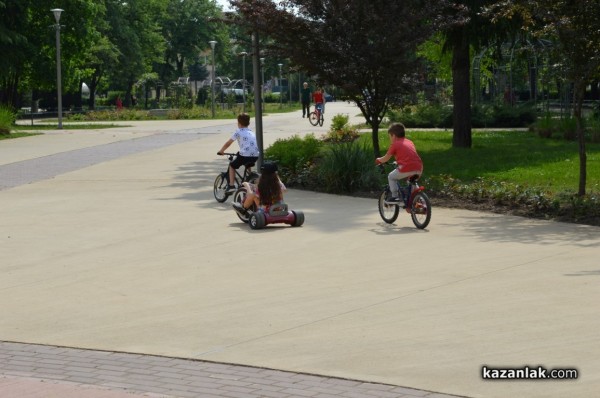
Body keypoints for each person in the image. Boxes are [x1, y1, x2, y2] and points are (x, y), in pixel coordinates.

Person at [375, 123, 423, 204]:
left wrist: (378, 160)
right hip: (419, 167)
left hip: (406, 167)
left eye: (389, 136)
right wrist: (397, 162)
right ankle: (420, 201)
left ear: (393, 135)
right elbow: (408, 155)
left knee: (391, 177)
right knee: (411, 181)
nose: (390, 138)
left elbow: (386, 158)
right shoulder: (409, 142)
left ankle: (395, 196)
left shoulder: (395, 144)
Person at [217, 113, 260, 192]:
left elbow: (228, 143)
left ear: (238, 123)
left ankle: (231, 185)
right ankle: (250, 177)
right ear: (249, 123)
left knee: (232, 166)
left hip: (245, 154)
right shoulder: (251, 132)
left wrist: (222, 150)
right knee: (247, 161)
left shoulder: (238, 131)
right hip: (255, 155)